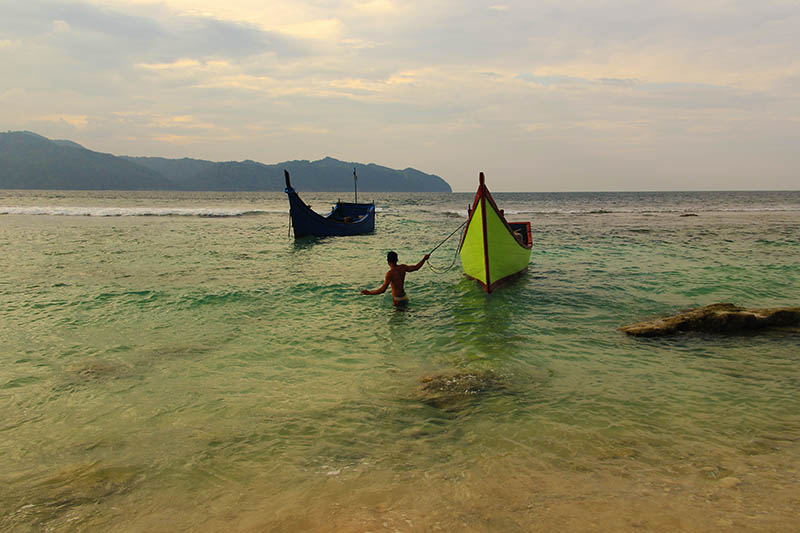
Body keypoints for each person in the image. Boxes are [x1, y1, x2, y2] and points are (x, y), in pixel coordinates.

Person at [361, 251, 430, 306]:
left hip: (397, 299)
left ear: (387, 261)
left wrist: (369, 292)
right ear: (397, 259)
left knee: (397, 321)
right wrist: (424, 259)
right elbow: (416, 267)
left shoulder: (390, 273)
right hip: (405, 297)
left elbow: (382, 290)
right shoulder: (403, 267)